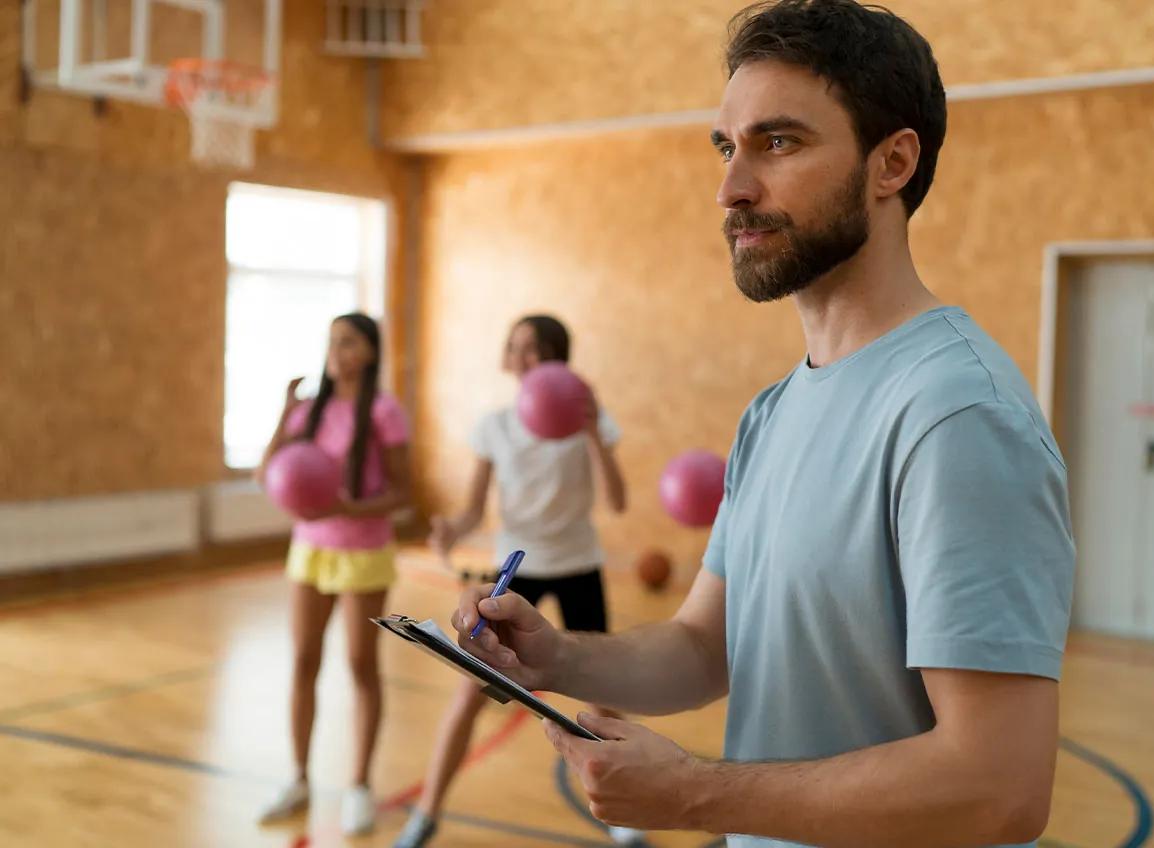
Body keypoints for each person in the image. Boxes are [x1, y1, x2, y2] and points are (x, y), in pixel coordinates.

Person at [448, 2, 1075, 846]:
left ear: (891, 163)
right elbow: (704, 649)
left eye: (778, 143)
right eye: (727, 146)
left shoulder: (958, 416)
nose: (731, 188)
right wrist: (555, 659)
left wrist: (694, 795)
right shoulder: (773, 412)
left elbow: (998, 788)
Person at [392, 314, 644, 848]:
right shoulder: (496, 425)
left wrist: (594, 430)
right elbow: (472, 511)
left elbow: (619, 501)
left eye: (535, 349)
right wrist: (450, 530)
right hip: (515, 570)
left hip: (579, 565)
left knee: (601, 700)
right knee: (470, 694)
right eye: (515, 348)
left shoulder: (590, 425)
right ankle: (427, 812)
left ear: (558, 359)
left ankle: (624, 815)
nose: (522, 358)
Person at [257, 313, 412, 837]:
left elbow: (401, 493)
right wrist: (284, 412)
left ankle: (360, 786)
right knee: (304, 660)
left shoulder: (385, 411)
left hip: (363, 553)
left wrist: (350, 507)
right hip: (310, 550)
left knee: (360, 664)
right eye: (331, 341)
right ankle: (298, 778)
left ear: (369, 352)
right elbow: (266, 475)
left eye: (347, 342)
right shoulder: (308, 411)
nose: (336, 351)